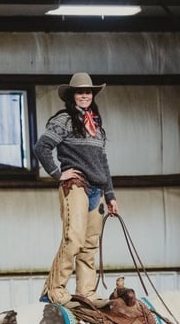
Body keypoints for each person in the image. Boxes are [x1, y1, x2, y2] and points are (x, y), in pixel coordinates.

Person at [35, 72, 119, 309]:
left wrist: (110, 195)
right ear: (72, 96)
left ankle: (86, 292)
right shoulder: (64, 120)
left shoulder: (96, 128)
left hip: (96, 190)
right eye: (80, 92)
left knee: (89, 245)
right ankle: (54, 289)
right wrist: (57, 173)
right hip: (76, 186)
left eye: (88, 92)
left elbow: (103, 163)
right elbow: (42, 147)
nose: (84, 95)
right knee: (74, 238)